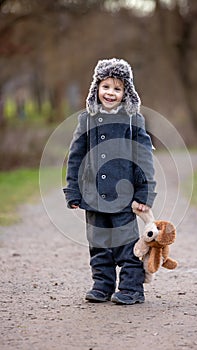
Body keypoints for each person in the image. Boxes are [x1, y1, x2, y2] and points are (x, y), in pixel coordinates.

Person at [63, 58, 156, 305]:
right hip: (92, 196)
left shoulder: (132, 120)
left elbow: (144, 157)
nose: (110, 93)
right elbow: (75, 156)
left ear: (126, 92)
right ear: (96, 88)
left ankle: (132, 288)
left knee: (126, 246)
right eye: (106, 87)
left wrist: (144, 193)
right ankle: (102, 285)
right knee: (99, 246)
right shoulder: (86, 119)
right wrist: (73, 189)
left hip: (123, 198)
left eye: (117, 88)